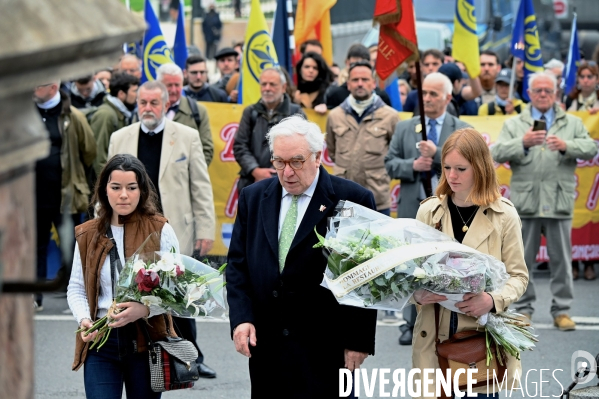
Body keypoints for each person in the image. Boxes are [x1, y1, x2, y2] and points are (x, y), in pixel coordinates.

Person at [226, 115, 378, 398]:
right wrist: (242, 318)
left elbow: (366, 276)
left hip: (327, 347)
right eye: (279, 162)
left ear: (317, 157)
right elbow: (238, 265)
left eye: (297, 161)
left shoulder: (352, 200)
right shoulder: (254, 197)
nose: (287, 172)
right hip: (268, 345)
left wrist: (358, 340)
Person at [412, 127, 529, 398]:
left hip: (479, 341)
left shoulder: (504, 215)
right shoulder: (428, 211)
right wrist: (417, 293)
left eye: (461, 169)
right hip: (433, 337)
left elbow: (519, 277)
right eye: (447, 167)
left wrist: (492, 299)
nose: (452, 176)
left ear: (480, 167)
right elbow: (410, 275)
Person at [491, 71, 598, 330]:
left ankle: (561, 310)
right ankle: (524, 309)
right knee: (521, 261)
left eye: (548, 91)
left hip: (558, 200)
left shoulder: (571, 123)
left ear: (556, 94)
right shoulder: (516, 123)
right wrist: (523, 143)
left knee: (561, 260)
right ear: (528, 94)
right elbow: (497, 151)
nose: (542, 95)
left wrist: (566, 146)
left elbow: (591, 148)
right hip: (525, 201)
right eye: (538, 90)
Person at [67, 154, 179, 398]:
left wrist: (145, 310)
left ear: (142, 191)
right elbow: (76, 287)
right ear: (104, 190)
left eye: (131, 187)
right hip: (101, 343)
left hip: (146, 340)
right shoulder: (87, 234)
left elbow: (176, 289)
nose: (124, 195)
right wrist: (84, 319)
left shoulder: (160, 229)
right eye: (115, 187)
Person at [385, 72, 471, 345]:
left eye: (434, 94)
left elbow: (470, 166)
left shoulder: (462, 130)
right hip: (414, 206)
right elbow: (389, 163)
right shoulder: (404, 127)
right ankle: (411, 323)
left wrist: (435, 157)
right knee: (412, 265)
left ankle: (451, 320)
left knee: (448, 264)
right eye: (423, 93)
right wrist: (411, 165)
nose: (427, 99)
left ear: (447, 97)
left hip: (451, 208)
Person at [33, 81, 97, 311]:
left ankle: (76, 298)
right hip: (33, 196)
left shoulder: (74, 116)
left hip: (65, 196)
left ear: (53, 86)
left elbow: (89, 151)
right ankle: (35, 296)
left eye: (38, 84)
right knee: (35, 247)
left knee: (71, 249)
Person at [326, 60, 399, 215]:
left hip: (377, 199)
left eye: (365, 79)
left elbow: (395, 153)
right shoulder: (335, 116)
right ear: (348, 84)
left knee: (379, 240)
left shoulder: (390, 116)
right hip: (344, 200)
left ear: (373, 83)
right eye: (355, 80)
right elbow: (332, 152)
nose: (360, 84)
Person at [233, 68, 304, 192]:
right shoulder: (250, 112)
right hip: (251, 182)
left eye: (272, 84)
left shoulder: (296, 112)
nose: (267, 88)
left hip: (286, 183)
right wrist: (255, 170)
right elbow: (240, 145)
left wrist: (277, 172)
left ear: (283, 87)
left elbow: (302, 148)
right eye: (264, 84)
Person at [156, 63, 214, 165]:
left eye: (177, 85)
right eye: (169, 85)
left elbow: (206, 149)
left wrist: (191, 173)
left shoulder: (198, 111)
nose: (174, 90)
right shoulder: (147, 111)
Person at [90, 72, 139, 175]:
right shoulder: (106, 115)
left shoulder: (122, 113)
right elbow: (98, 156)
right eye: (134, 91)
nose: (137, 95)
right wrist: (107, 184)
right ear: (121, 94)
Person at [325, 44, 392, 109]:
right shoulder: (335, 95)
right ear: (347, 63)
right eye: (354, 65)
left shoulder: (382, 97)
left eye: (363, 65)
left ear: (370, 64)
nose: (358, 69)